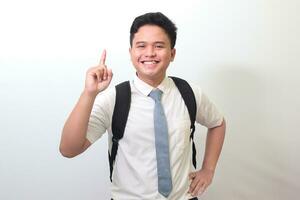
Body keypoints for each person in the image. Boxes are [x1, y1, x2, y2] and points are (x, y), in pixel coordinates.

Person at [60, 12, 226, 200]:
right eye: (141, 46)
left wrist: (208, 169)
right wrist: (89, 93)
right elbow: (68, 149)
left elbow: (218, 123)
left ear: (172, 54)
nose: (150, 53)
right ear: (131, 53)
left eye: (159, 46)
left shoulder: (189, 93)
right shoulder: (115, 98)